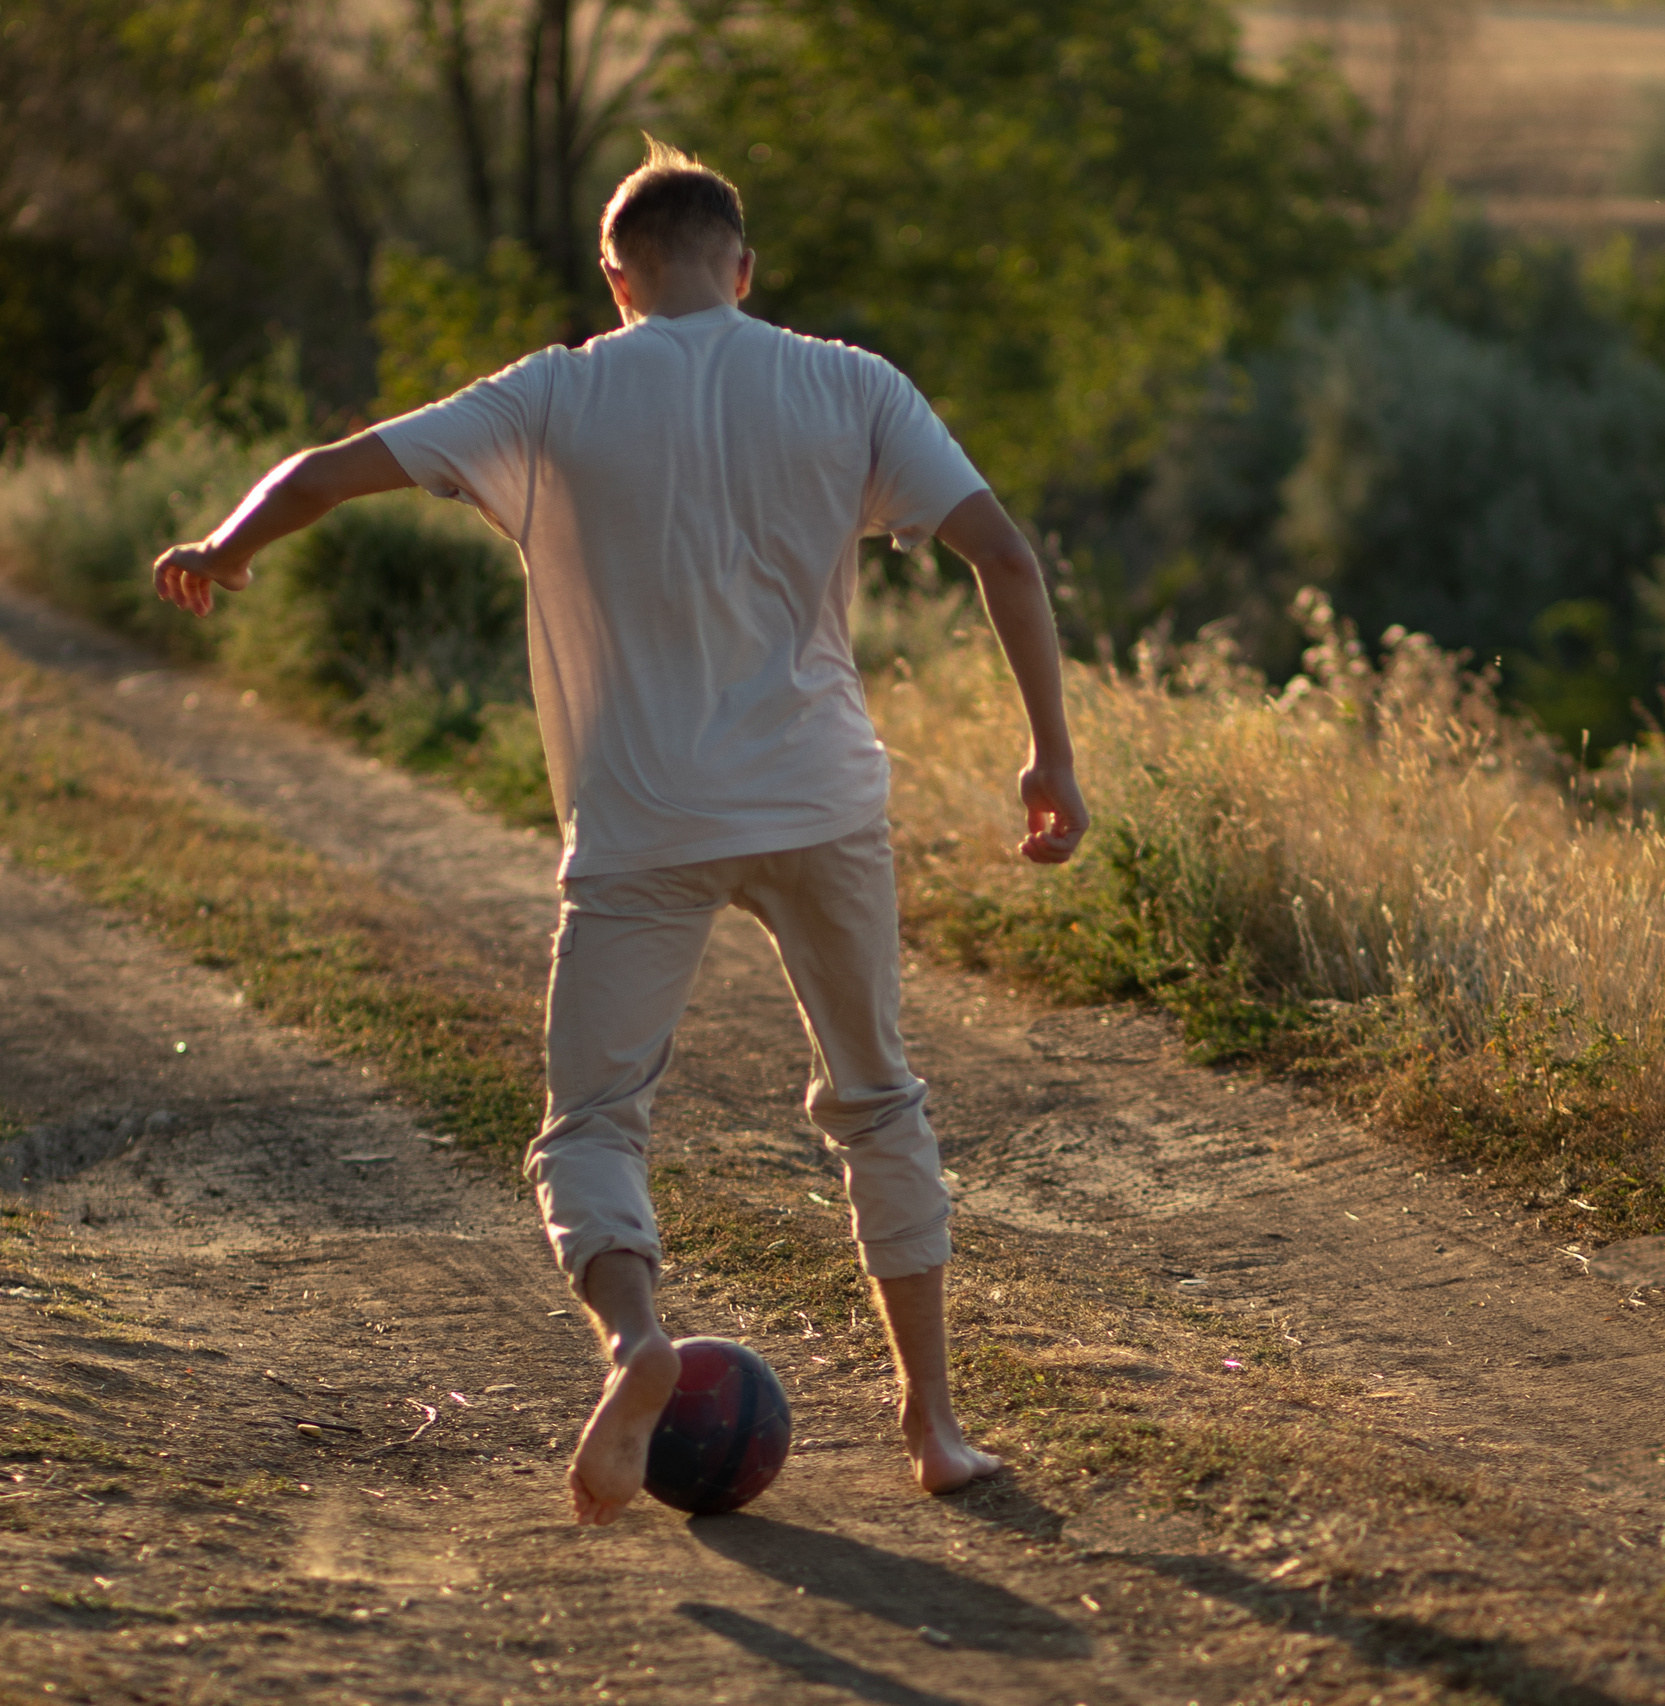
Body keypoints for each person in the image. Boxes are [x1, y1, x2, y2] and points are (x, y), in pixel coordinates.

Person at [154, 139, 1088, 1526]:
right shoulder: (849, 381)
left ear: (615, 275)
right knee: (878, 1098)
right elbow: (1003, 551)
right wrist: (1049, 752)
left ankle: (635, 1338)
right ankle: (935, 1426)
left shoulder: (553, 392)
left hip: (643, 819)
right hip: (822, 803)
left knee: (592, 1122)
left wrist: (225, 547)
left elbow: (324, 468)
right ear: (744, 267)